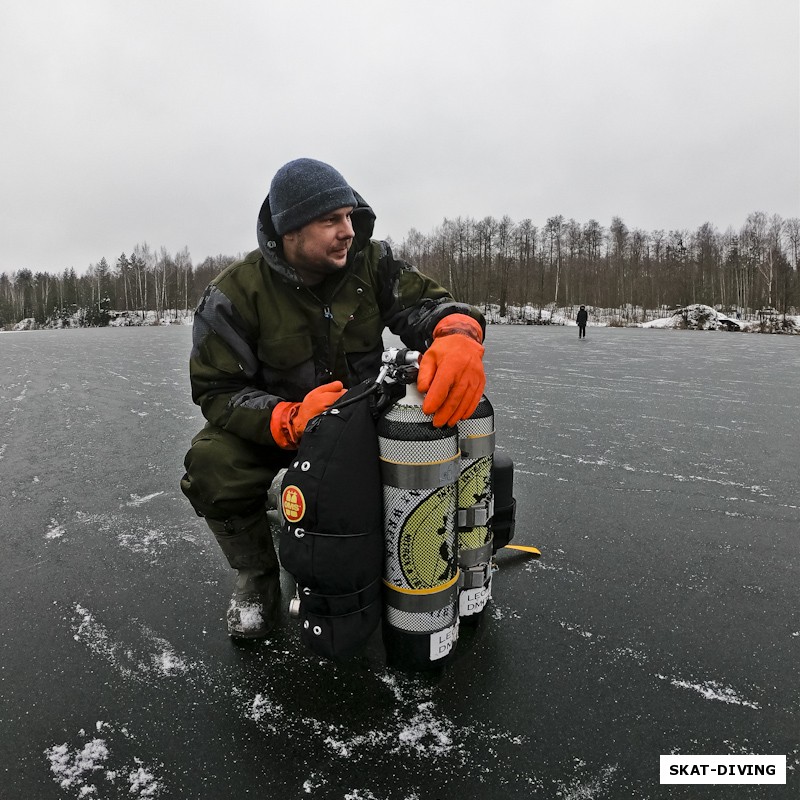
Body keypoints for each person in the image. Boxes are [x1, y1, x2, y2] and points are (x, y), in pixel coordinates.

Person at [180, 158, 487, 640]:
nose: (348, 231)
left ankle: (398, 559)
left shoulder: (373, 261)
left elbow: (429, 305)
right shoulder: (234, 294)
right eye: (331, 220)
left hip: (358, 421)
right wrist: (287, 418)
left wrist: (458, 334)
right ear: (290, 231)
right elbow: (218, 390)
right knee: (211, 463)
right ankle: (258, 576)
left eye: (349, 216)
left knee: (418, 445)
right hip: (282, 428)